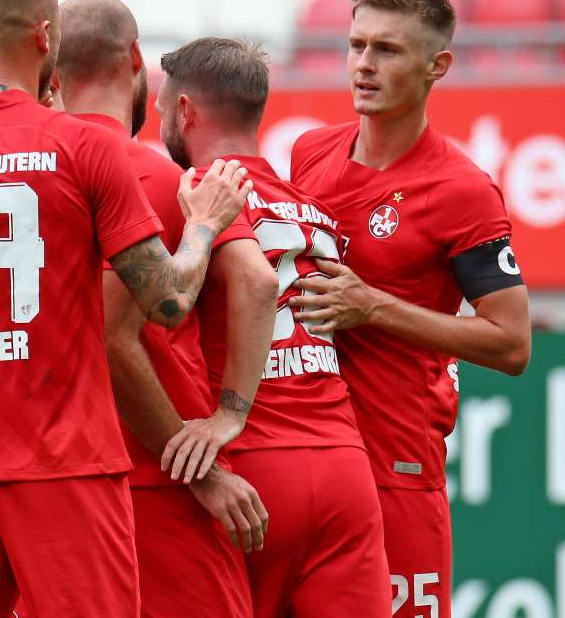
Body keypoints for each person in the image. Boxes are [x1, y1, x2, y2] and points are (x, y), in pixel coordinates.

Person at [0, 0, 251, 617]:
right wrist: (203, 227)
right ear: (47, 35)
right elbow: (165, 302)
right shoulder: (84, 146)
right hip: (64, 463)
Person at [287, 0, 532, 618]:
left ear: (436, 67)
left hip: (396, 463)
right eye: (356, 45)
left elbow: (511, 343)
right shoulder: (310, 151)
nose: (364, 65)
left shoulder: (463, 191)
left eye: (387, 51)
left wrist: (374, 307)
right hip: (303, 452)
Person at [158, 37, 391, 617]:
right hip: (342, 462)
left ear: (185, 110)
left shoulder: (203, 190)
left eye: (164, 108)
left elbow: (255, 284)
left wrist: (230, 412)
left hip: (255, 463)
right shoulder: (308, 205)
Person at [53, 0, 260, 618]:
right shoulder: (162, 177)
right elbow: (255, 282)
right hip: (159, 476)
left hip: (48, 484)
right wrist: (223, 431)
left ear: (53, 74)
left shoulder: (23, 175)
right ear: (137, 60)